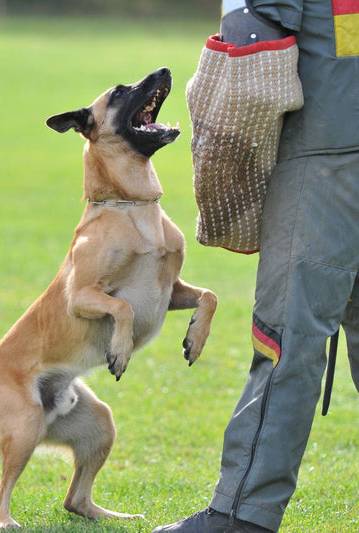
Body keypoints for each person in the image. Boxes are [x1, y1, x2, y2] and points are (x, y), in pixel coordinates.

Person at [153, 0, 359, 531]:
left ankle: (243, 514)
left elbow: (253, 30)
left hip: (323, 151)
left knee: (285, 337)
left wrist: (225, 147)